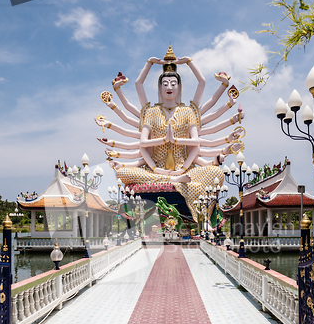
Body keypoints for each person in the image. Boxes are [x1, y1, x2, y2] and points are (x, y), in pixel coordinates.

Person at [95, 46, 245, 222]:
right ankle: (174, 179)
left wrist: (188, 61)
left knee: (216, 174)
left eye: (173, 84)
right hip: (153, 170)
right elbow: (143, 144)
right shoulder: (151, 112)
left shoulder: (188, 111)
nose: (169, 87)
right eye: (165, 84)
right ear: (159, 87)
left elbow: (195, 143)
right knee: (122, 174)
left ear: (179, 87)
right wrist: (150, 63)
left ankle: (201, 220)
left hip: (186, 169)